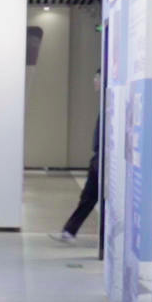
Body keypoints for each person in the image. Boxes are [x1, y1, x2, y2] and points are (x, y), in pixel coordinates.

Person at [53, 72, 103, 244]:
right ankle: (69, 231)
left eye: (97, 78)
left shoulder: (110, 102)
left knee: (90, 197)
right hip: (98, 158)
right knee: (88, 196)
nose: (94, 81)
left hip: (102, 159)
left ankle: (70, 231)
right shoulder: (105, 102)